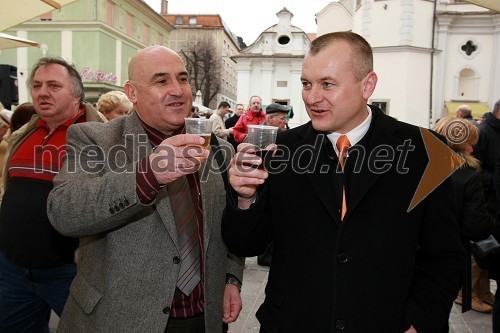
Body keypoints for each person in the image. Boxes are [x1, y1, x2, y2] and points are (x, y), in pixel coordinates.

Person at [222, 31, 464, 332]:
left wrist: (417, 322)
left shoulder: (424, 151)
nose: (312, 97)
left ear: (367, 85)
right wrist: (245, 198)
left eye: (327, 84)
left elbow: (444, 255)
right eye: (306, 84)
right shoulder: (281, 149)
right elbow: (246, 243)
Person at [47, 45, 244, 333]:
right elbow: (64, 211)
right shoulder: (95, 139)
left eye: (183, 78)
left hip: (203, 316)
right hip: (116, 320)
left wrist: (232, 277)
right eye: (161, 81)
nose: (178, 90)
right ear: (132, 93)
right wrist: (148, 174)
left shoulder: (217, 149)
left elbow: (227, 223)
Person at [0, 57, 107, 332]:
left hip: (70, 270)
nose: (42, 92)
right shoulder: (23, 133)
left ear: (76, 94)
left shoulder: (100, 136)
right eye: (36, 85)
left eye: (53, 85)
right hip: (13, 269)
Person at [433, 118, 494, 315]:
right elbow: (476, 226)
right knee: (438, 313)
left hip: (414, 254)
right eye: (470, 144)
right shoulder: (467, 174)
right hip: (449, 256)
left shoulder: (416, 167)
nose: (472, 149)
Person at [474, 98, 500, 331]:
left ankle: (481, 291)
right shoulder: (485, 131)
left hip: (489, 201)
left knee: (486, 253)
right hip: (487, 201)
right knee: (481, 250)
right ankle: (470, 293)